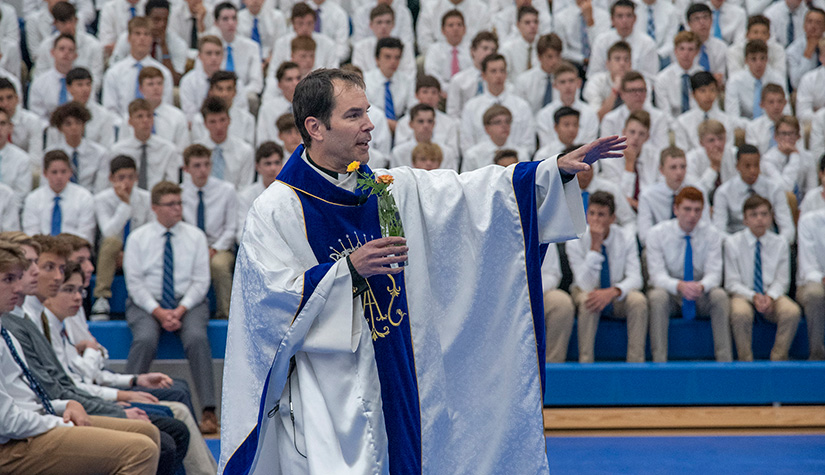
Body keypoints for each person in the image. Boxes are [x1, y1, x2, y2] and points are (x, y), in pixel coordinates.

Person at [220, 68, 626, 473]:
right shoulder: (277, 209)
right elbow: (266, 307)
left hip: (402, 373)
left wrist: (548, 173)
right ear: (315, 127)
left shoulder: (387, 189)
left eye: (367, 112)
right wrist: (347, 272)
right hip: (328, 395)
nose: (369, 125)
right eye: (353, 115)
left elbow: (470, 196)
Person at [0, 241, 161, 475]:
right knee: (141, 449)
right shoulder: (17, 325)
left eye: (17, 278)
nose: (17, 287)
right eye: (8, 280)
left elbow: (28, 396)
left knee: (148, 432)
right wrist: (60, 422)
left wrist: (65, 405)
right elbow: (7, 421)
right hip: (11, 444)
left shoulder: (7, 330)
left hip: (32, 421)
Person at [123, 181, 218, 434]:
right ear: (155, 207)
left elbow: (201, 281)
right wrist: (158, 311)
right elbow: (134, 283)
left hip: (187, 302)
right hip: (146, 304)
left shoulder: (195, 236)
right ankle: (125, 401)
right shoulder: (138, 238)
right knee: (144, 339)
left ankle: (209, 411)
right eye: (171, 204)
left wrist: (180, 310)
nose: (177, 209)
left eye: (179, 203)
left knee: (197, 338)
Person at [646, 186, 732, 362]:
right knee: (657, 297)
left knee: (720, 296)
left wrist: (701, 286)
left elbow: (714, 273)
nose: (692, 215)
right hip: (671, 293)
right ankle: (659, 361)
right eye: (687, 209)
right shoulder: (657, 234)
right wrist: (679, 286)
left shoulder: (712, 234)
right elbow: (656, 276)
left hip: (699, 292)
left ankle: (725, 361)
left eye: (697, 210)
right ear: (675, 209)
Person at [566, 191, 648, 363]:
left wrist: (614, 291)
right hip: (587, 291)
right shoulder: (575, 239)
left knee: (638, 301)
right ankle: (586, 363)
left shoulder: (626, 237)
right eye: (592, 214)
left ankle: (636, 364)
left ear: (612, 218)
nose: (595, 219)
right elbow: (584, 284)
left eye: (601, 214)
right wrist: (595, 246)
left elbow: (636, 278)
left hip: (616, 293)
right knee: (590, 300)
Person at [724, 195, 800, 361]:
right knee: (740, 313)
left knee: (791, 312)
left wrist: (770, 297)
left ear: (771, 217)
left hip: (771, 294)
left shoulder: (780, 243)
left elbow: (782, 281)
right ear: (745, 220)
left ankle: (778, 358)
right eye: (754, 215)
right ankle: (746, 361)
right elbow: (731, 282)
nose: (760, 219)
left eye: (764, 214)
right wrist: (754, 296)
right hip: (743, 294)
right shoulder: (733, 243)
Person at [92, 156, 154, 317]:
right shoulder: (102, 199)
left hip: (141, 254)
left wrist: (130, 255)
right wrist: (125, 204)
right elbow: (108, 232)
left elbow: (150, 233)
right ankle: (101, 297)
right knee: (111, 242)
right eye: (121, 177)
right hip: (113, 255)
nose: (126, 182)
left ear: (137, 177)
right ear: (111, 178)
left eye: (131, 177)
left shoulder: (146, 199)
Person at [180, 144, 237, 318]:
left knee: (219, 265)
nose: (203, 170)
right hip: (189, 247)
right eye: (197, 165)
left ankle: (226, 315)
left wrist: (213, 249)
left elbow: (231, 229)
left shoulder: (226, 190)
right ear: (186, 169)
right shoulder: (179, 192)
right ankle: (182, 312)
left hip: (219, 247)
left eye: (206, 164)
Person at [711, 144, 795, 245]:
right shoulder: (724, 192)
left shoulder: (774, 188)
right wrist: (737, 246)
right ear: (737, 166)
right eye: (747, 166)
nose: (753, 171)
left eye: (756, 165)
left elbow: (787, 227)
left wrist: (777, 245)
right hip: (735, 245)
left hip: (768, 243)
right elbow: (719, 231)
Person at [22, 151, 95, 243]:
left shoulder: (84, 197)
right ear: (45, 173)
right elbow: (31, 233)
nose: (59, 176)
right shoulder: (33, 198)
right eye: (54, 172)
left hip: (74, 251)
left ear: (70, 172)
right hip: (43, 251)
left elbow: (85, 234)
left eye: (63, 171)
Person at [109, 98, 181, 191]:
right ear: (130, 121)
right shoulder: (118, 150)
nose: (145, 120)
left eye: (149, 116)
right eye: (140, 116)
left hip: (160, 199)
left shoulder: (167, 149)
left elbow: (172, 183)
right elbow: (113, 183)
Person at [46, 102, 108, 193]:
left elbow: (101, 189)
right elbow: (46, 187)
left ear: (83, 125)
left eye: (78, 123)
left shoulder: (100, 153)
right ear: (60, 128)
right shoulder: (50, 154)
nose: (74, 127)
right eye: (68, 124)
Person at [236, 142, 284, 243]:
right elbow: (241, 233)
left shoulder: (291, 195)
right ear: (257, 167)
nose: (273, 168)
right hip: (255, 248)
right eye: (268, 163)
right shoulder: (245, 196)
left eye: (277, 163)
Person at [797, 207, 825, 360]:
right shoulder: (809, 221)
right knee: (815, 294)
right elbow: (808, 267)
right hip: (812, 281)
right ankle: (817, 354)